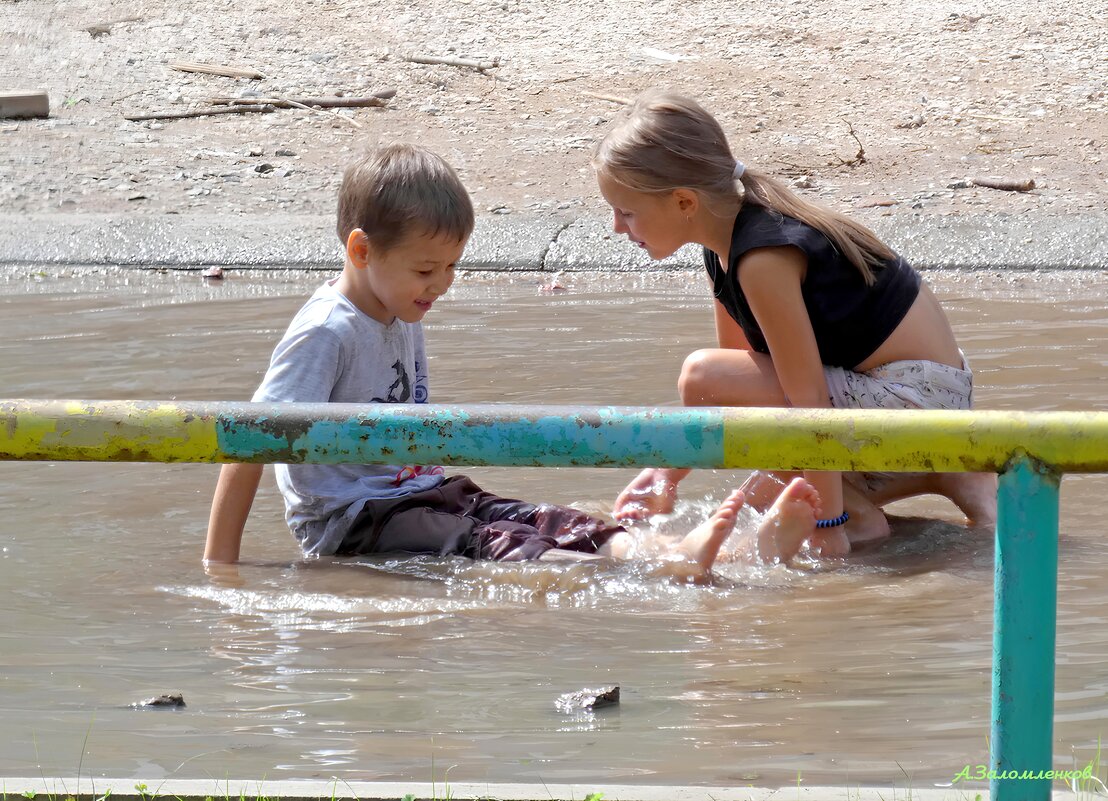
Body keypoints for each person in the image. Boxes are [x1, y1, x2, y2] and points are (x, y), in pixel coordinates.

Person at [203, 143, 823, 575]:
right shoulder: (326, 332)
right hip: (358, 522)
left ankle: (691, 553)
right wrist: (219, 571)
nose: (440, 284)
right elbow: (251, 438)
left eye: (450, 267)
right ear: (361, 250)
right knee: (491, 544)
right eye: (427, 268)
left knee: (537, 517)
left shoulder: (399, 304)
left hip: (423, 491)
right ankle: (671, 568)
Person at [592, 90, 997, 557]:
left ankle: (858, 517)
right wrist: (667, 472)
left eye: (626, 212)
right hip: (923, 402)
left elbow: (804, 402)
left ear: (684, 201)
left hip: (914, 405)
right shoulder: (724, 246)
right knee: (746, 496)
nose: (618, 228)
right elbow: (749, 404)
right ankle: (942, 475)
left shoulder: (762, 258)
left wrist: (827, 525)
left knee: (701, 375)